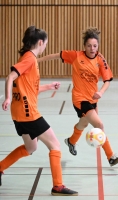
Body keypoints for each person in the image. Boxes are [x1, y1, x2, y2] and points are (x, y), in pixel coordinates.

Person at [0, 26, 78, 196]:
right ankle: (58, 185)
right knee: (55, 145)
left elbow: (29, 89)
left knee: (30, 147)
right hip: (29, 114)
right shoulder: (30, 59)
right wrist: (7, 97)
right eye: (45, 44)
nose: (45, 47)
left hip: (18, 114)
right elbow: (10, 76)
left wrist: (48, 86)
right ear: (40, 42)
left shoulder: (27, 58)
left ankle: (0, 167)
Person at [37, 27, 118, 166]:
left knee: (84, 123)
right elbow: (56, 55)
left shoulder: (101, 59)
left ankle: (71, 141)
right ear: (84, 46)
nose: (92, 48)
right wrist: (37, 61)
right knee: (99, 125)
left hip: (93, 98)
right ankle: (111, 156)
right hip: (80, 99)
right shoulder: (76, 56)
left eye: (95, 46)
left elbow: (107, 80)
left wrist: (101, 92)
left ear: (98, 46)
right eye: (89, 45)